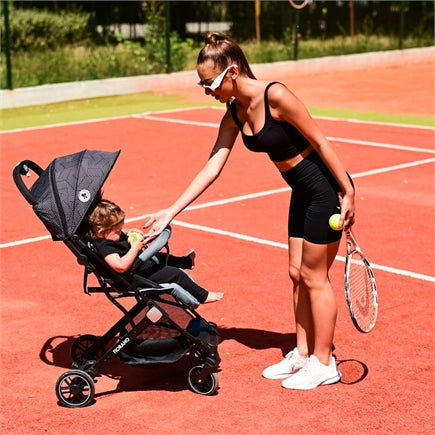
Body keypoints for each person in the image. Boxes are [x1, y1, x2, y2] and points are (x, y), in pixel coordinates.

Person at [143, 32, 355, 390]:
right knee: (296, 273)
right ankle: (303, 353)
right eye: (201, 84)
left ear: (233, 72)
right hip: (301, 193)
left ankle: (324, 362)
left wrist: (348, 191)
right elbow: (212, 166)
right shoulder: (235, 113)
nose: (207, 91)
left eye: (210, 83)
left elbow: (319, 140)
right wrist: (171, 211)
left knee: (314, 277)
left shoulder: (276, 96)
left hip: (325, 192)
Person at [87, 199, 224, 304]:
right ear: (102, 232)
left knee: (159, 257)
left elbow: (123, 232)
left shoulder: (107, 236)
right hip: (134, 277)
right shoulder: (105, 246)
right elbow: (120, 266)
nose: (121, 232)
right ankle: (202, 296)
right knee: (176, 274)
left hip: (139, 266)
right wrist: (135, 248)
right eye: (118, 230)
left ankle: (186, 262)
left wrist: (130, 231)